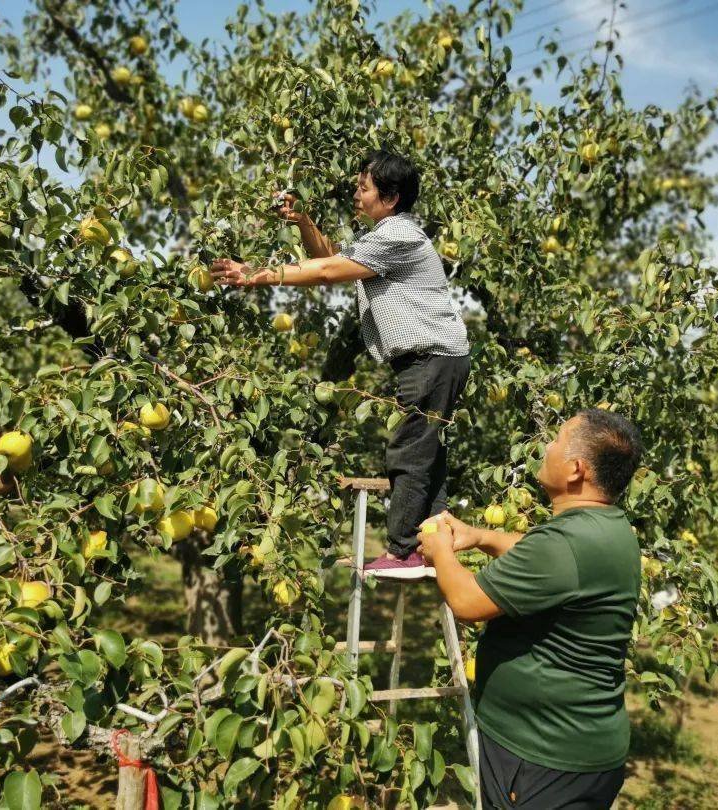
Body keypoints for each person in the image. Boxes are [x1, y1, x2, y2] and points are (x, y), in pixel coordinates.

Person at [211, 149, 471, 579]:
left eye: (363, 187)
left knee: (409, 451)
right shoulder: (388, 236)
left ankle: (404, 551)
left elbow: (330, 271)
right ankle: (432, 547)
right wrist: (303, 224)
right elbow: (334, 257)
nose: (356, 192)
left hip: (432, 361)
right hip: (437, 360)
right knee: (428, 455)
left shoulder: (398, 236)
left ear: (389, 197)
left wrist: (258, 274)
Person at [417, 409, 644, 809]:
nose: (547, 448)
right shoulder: (609, 528)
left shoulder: (566, 544)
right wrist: (482, 536)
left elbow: (467, 603)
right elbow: (543, 553)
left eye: (556, 440)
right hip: (578, 750)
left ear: (575, 470)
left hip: (542, 757)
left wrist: (440, 552)